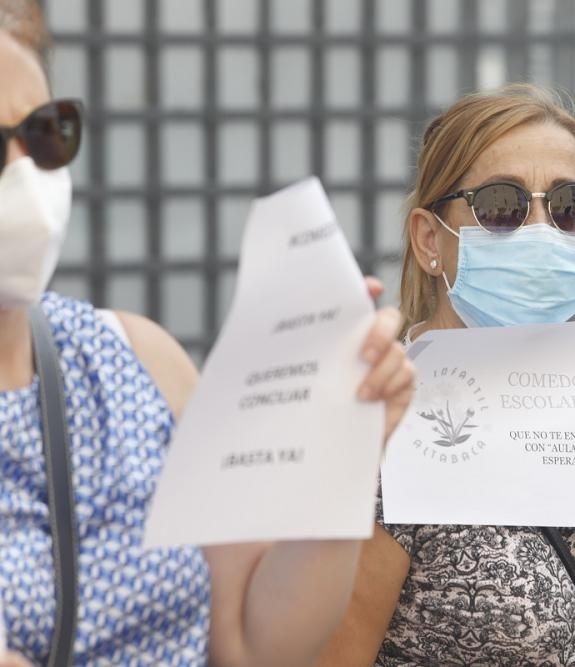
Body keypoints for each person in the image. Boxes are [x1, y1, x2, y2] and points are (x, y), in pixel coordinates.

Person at [0, 2, 415, 665]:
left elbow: (254, 643)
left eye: (45, 133)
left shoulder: (137, 359)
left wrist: (341, 451)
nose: (27, 175)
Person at [319, 84, 575, 666]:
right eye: (502, 205)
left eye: (570, 206)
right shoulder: (385, 429)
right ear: (430, 238)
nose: (541, 229)